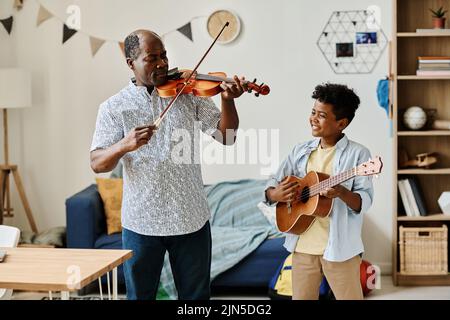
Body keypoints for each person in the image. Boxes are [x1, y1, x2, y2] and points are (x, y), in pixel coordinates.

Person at [90, 29, 247, 300]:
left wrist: (227, 99)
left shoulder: (189, 93)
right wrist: (123, 145)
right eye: (152, 58)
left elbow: (227, 136)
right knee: (140, 296)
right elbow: (97, 163)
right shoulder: (113, 108)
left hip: (191, 218)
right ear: (131, 63)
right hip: (141, 222)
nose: (162, 63)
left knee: (196, 299)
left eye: (164, 55)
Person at [264, 83, 374, 300]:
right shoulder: (300, 150)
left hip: (340, 250)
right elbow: (274, 181)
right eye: (313, 112)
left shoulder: (359, 155)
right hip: (303, 245)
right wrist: (273, 194)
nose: (313, 118)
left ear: (341, 123)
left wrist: (342, 192)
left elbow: (365, 201)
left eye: (321, 115)